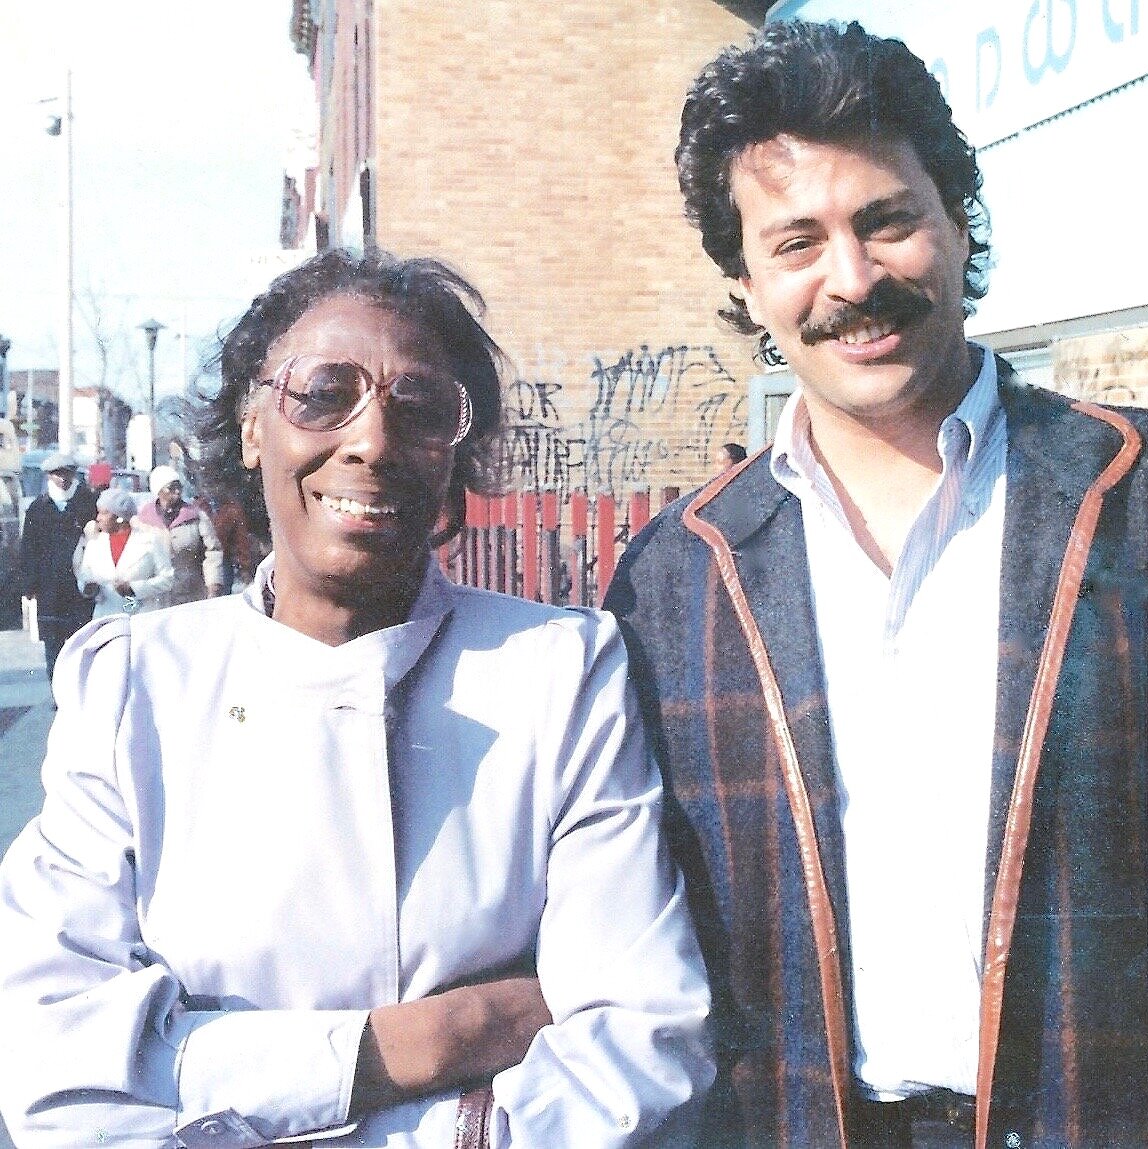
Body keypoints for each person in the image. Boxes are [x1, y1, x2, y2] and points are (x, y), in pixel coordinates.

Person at [605, 20, 1148, 1149]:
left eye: (888, 221)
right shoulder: (677, 581)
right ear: (744, 278)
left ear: (956, 221)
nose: (854, 280)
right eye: (797, 243)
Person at [0, 250, 712, 1147]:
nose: (371, 439)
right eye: (323, 392)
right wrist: (441, 1038)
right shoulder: (134, 685)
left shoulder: (559, 674)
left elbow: (641, 1050)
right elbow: (51, 1065)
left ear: (455, 453)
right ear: (254, 425)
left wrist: (203, 1069)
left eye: (418, 409)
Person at [17, 451, 97, 680]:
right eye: (56, 474)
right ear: (48, 476)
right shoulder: (38, 508)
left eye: (66, 473)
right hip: (49, 588)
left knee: (82, 640)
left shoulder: (87, 502)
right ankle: (58, 692)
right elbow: (28, 548)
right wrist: (29, 584)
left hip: (81, 586)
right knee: (53, 645)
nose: (62, 479)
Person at [73, 486, 175, 618]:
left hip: (141, 618)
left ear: (119, 517)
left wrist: (134, 588)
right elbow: (84, 577)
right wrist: (88, 588)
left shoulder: (150, 541)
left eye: (104, 513)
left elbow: (167, 580)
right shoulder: (95, 544)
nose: (98, 518)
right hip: (106, 618)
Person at [137, 462, 224, 604]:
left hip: (189, 591)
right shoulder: (143, 519)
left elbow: (213, 551)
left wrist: (213, 585)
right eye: (171, 488)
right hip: (154, 595)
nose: (177, 491)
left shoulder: (196, 516)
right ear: (158, 491)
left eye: (179, 486)